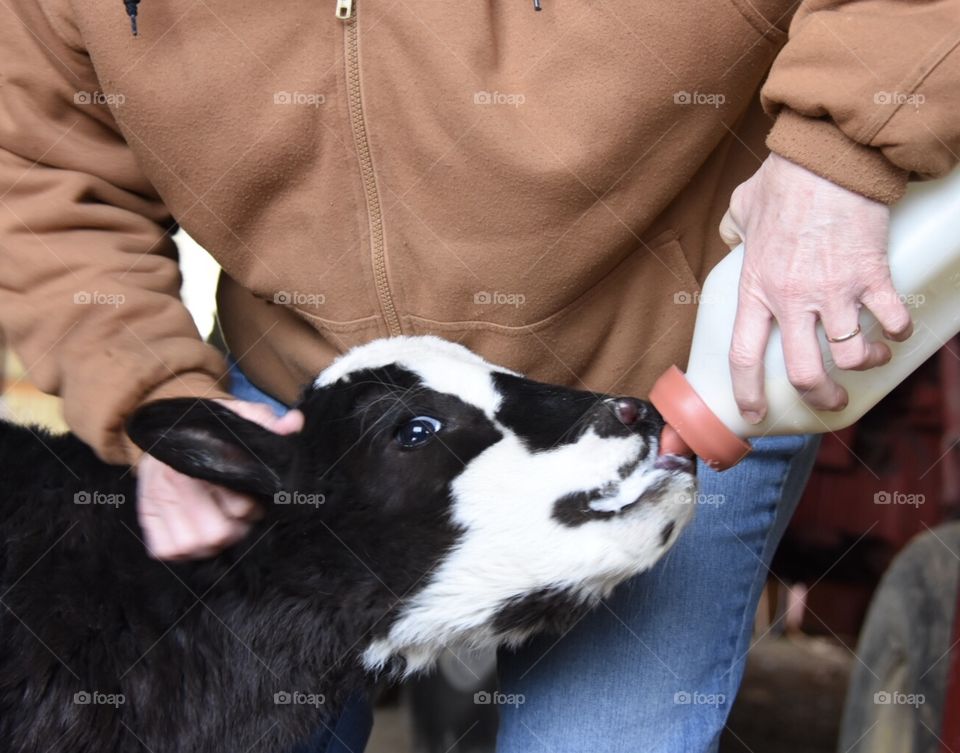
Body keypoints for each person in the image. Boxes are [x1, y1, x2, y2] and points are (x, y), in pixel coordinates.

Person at [0, 1, 957, 751]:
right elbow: (40, 171)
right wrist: (145, 379)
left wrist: (842, 152)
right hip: (313, 416)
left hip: (671, 382)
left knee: (608, 741)